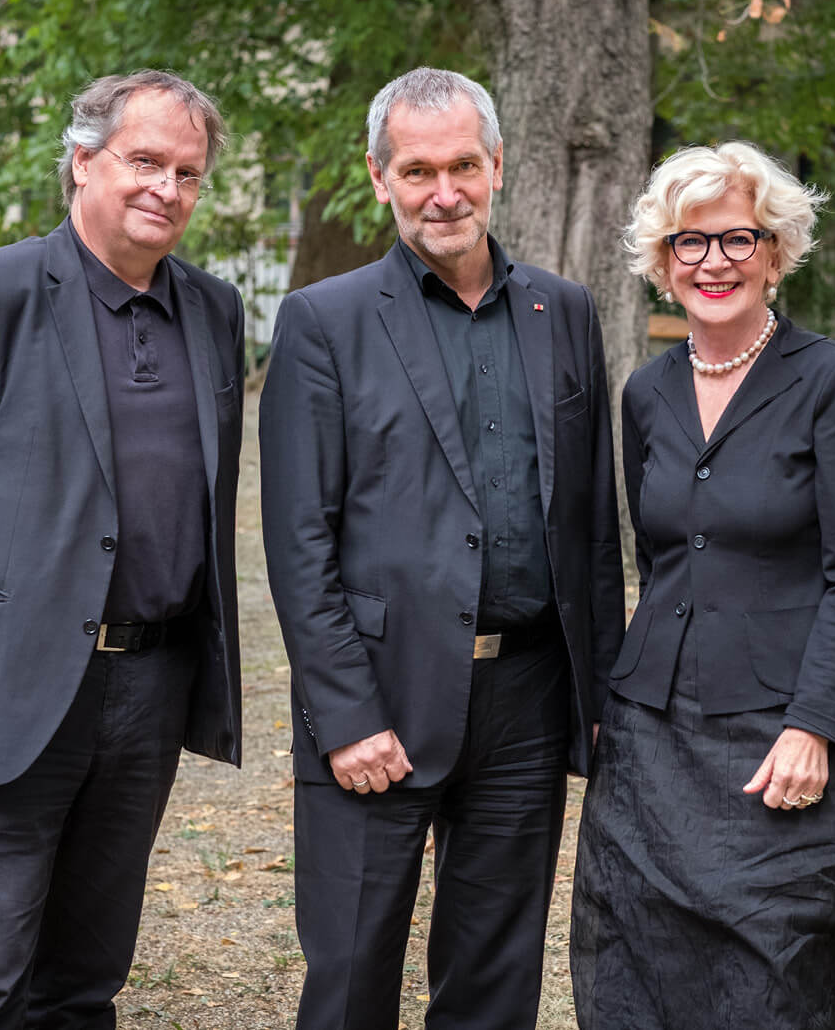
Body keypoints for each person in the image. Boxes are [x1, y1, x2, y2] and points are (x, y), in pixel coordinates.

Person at [0, 70, 245, 1029]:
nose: (166, 187)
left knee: (85, 978)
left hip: (148, 688)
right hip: (13, 683)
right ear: (82, 163)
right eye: (145, 161)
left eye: (188, 172)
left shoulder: (213, 313)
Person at [258, 66, 626, 1030]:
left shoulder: (566, 311)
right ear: (380, 178)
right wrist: (344, 715)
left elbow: (590, 526)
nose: (444, 192)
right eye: (418, 171)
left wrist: (598, 695)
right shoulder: (323, 322)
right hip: (377, 699)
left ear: (497, 166)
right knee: (348, 976)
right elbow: (298, 540)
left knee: (495, 980)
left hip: (530, 700)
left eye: (463, 164)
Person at [570, 141, 835, 1029]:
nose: (714, 262)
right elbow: (656, 560)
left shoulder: (828, 378)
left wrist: (814, 725)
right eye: (689, 243)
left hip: (775, 734)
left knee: (774, 974)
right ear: (663, 264)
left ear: (775, 253)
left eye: (738, 239)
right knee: (641, 967)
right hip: (650, 742)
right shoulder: (645, 392)